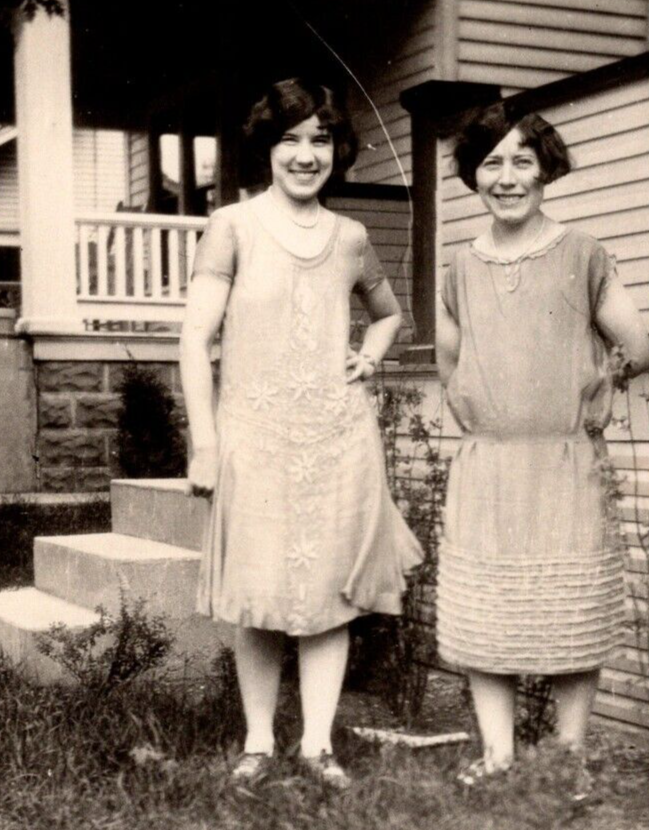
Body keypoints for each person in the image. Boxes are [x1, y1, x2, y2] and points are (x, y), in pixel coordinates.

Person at [179, 78, 422, 790]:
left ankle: (317, 745)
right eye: (290, 139)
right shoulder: (232, 225)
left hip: (336, 438)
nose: (306, 155)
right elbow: (195, 339)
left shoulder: (350, 238)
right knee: (257, 593)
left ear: (338, 150)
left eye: (320, 140)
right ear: (267, 147)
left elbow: (388, 315)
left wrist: (368, 360)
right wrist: (205, 444)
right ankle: (258, 741)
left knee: (327, 596)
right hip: (252, 433)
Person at [435, 103, 649, 782]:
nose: (506, 177)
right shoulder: (459, 271)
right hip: (488, 463)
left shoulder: (582, 254)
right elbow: (452, 368)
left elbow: (637, 347)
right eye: (491, 162)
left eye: (521, 161)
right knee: (485, 616)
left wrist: (589, 398)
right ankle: (498, 756)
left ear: (545, 170)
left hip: (565, 460)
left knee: (573, 612)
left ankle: (567, 758)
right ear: (473, 174)